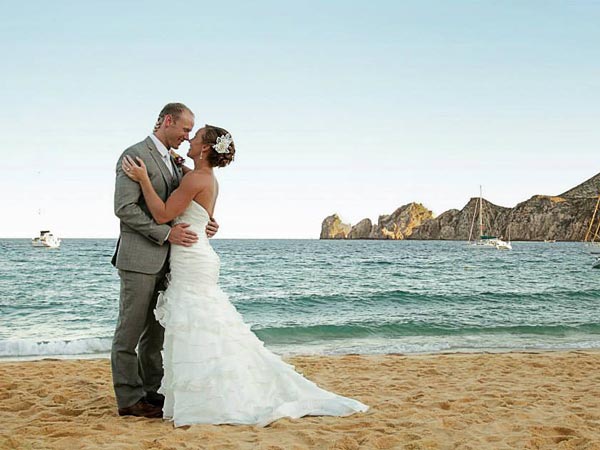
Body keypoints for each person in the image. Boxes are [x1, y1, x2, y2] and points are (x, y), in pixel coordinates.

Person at [121, 124, 369, 427]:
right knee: (204, 324)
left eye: (195, 137)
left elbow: (161, 215)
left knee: (197, 324)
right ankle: (197, 392)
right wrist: (181, 167)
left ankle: (205, 394)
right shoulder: (201, 175)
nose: (190, 139)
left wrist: (145, 179)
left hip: (192, 257)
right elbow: (197, 208)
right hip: (195, 254)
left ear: (206, 148)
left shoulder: (197, 178)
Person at [111, 103, 219, 418]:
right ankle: (129, 399)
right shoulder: (134, 155)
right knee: (129, 332)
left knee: (155, 334)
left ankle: (152, 392)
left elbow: (184, 203)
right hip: (140, 258)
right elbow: (125, 208)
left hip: (172, 262)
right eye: (185, 129)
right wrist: (165, 234)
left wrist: (206, 221)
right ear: (167, 121)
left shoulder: (175, 163)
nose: (187, 138)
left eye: (191, 133)